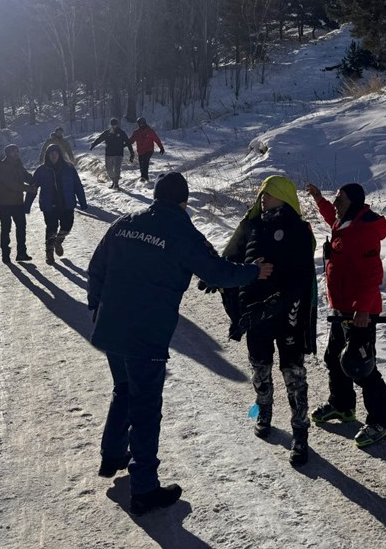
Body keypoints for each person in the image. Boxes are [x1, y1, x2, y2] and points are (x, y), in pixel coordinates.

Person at [87, 172, 274, 515]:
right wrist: (253, 271)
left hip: (111, 327)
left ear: (156, 196)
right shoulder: (183, 231)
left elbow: (96, 267)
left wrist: (95, 307)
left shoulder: (125, 222)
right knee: (144, 406)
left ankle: (112, 455)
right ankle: (144, 489)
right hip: (147, 333)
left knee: (124, 389)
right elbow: (217, 272)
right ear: (183, 201)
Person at [221, 176, 316, 467]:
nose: (264, 197)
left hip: (288, 314)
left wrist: (279, 301)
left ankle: (300, 431)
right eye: (262, 193)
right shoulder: (250, 226)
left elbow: (301, 276)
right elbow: (231, 259)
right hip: (255, 313)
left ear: (285, 196)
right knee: (260, 367)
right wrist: (220, 277)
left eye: (271, 193)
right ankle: (264, 411)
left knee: (294, 374)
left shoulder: (299, 230)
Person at [305, 182, 386, 448]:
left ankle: (383, 422)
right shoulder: (346, 221)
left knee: (361, 366)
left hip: (359, 312)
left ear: (353, 201)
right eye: (335, 198)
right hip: (342, 306)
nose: (335, 203)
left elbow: (372, 275)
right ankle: (343, 406)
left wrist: (363, 308)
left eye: (339, 199)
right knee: (334, 357)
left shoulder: (364, 230)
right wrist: (318, 199)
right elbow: (331, 216)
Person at [25, 144, 88, 265]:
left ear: (60, 154)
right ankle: (49, 254)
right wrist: (27, 205)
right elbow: (32, 188)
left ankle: (58, 241)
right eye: (51, 153)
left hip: (67, 204)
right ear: (47, 156)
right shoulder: (41, 170)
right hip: (49, 205)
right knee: (51, 229)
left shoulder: (69, 168)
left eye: (56, 153)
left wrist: (83, 202)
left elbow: (77, 186)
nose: (53, 155)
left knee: (67, 227)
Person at [0, 144, 33, 263]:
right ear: (8, 154)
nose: (16, 154)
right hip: (5, 204)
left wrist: (36, 180)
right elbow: (12, 185)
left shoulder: (19, 166)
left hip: (18, 203)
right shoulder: (2, 168)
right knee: (6, 229)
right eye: (13, 152)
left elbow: (27, 177)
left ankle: (21, 253)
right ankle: (5, 254)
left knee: (21, 228)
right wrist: (28, 189)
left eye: (17, 151)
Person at [89, 118, 134, 190]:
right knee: (109, 169)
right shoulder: (107, 132)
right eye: (112, 125)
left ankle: (116, 184)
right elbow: (100, 139)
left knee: (117, 169)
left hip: (118, 154)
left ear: (117, 124)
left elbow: (128, 142)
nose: (114, 126)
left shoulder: (121, 132)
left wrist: (131, 153)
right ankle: (114, 180)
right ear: (110, 125)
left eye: (115, 125)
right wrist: (93, 145)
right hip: (109, 154)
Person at [128, 117, 164, 183]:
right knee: (141, 163)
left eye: (142, 123)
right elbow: (131, 140)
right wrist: (124, 143)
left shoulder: (150, 131)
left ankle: (144, 176)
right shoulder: (136, 132)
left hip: (148, 150)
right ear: (138, 124)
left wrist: (161, 147)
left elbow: (156, 139)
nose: (141, 125)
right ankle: (143, 176)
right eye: (140, 124)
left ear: (145, 123)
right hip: (140, 150)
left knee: (145, 161)